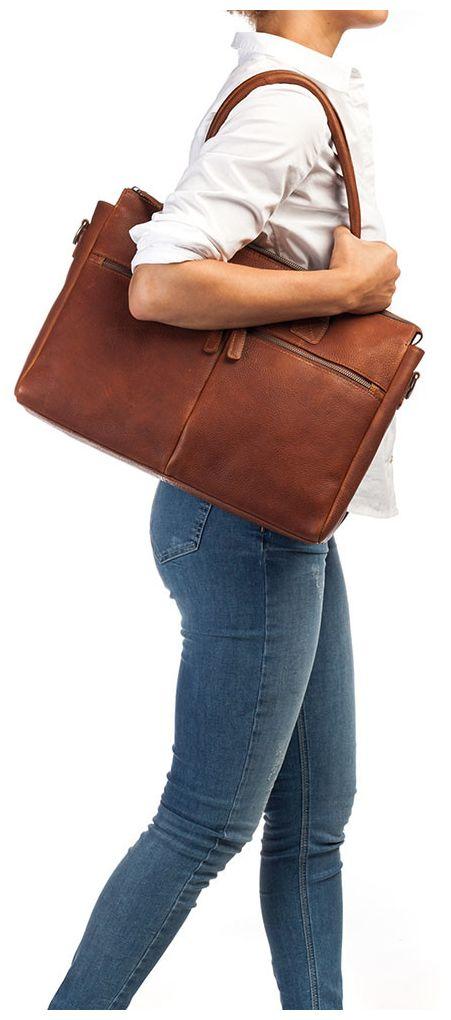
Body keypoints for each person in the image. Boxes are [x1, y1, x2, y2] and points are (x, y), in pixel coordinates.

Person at [48, 9, 400, 1010]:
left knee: (313, 826)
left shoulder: (302, 92)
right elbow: (159, 284)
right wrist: (347, 288)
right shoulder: (287, 107)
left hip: (280, 512)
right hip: (242, 521)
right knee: (203, 824)